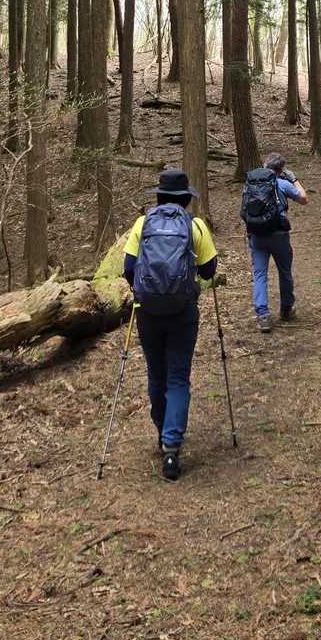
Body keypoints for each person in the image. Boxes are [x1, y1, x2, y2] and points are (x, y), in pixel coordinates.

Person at [122, 167, 217, 481]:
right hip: (182, 312)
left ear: (160, 196)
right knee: (177, 376)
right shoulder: (195, 226)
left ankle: (162, 429)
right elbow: (209, 270)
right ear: (186, 198)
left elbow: (128, 268)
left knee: (156, 372)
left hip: (147, 311)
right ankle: (171, 447)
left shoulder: (142, 223)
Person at [242, 152, 307, 334]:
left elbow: (245, 209)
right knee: (284, 271)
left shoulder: (250, 184)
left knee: (260, 274)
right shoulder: (283, 183)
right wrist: (294, 180)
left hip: (256, 235)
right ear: (281, 170)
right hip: (279, 235)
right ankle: (286, 309)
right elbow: (304, 199)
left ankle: (263, 315)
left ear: (265, 166)